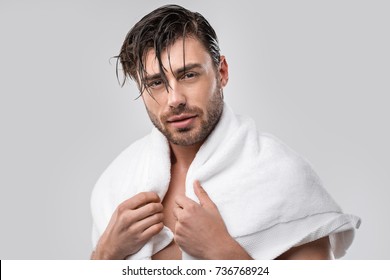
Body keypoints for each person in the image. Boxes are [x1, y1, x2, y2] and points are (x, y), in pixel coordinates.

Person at [90, 4, 360, 260]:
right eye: (157, 83)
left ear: (222, 72)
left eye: (188, 75)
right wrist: (105, 254)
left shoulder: (282, 176)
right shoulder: (118, 182)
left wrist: (222, 251)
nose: (175, 99)